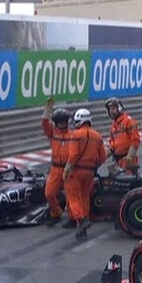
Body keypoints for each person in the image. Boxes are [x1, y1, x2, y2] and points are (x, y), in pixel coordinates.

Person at [64, 108, 107, 238]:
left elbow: (73, 155)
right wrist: (94, 166)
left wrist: (67, 169)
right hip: (89, 172)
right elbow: (102, 157)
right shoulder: (97, 136)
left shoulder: (75, 135)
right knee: (85, 197)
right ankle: (83, 227)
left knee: (73, 197)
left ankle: (82, 220)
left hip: (75, 171)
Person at [41, 98, 72, 226]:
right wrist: (48, 109)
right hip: (55, 168)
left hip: (69, 168)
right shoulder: (52, 133)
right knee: (49, 193)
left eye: (63, 121)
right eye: (59, 122)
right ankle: (56, 212)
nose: (61, 124)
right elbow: (44, 123)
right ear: (55, 123)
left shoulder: (73, 135)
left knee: (70, 195)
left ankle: (72, 218)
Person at [105, 97, 141, 174]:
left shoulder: (128, 121)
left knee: (129, 180)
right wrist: (102, 157)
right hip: (117, 162)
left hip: (127, 160)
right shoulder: (113, 126)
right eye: (110, 109)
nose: (111, 111)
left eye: (113, 108)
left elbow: (135, 141)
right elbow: (112, 146)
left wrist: (129, 157)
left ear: (119, 108)